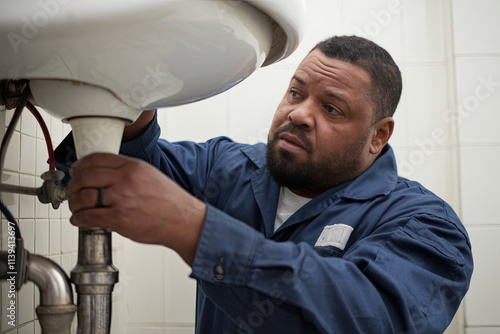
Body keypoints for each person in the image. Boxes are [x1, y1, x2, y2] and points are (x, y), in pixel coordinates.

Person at [55, 35, 473, 333]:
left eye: (331, 108)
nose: (300, 114)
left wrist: (193, 228)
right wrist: (135, 101)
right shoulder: (229, 166)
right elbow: (125, 166)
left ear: (378, 136)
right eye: (296, 93)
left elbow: (369, 318)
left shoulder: (426, 226)